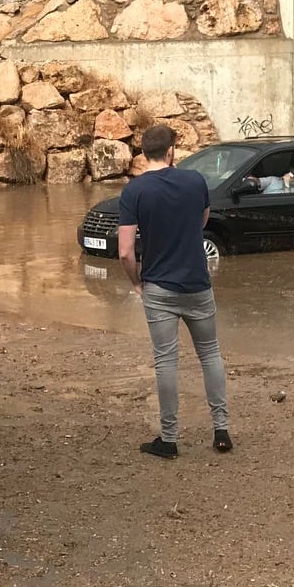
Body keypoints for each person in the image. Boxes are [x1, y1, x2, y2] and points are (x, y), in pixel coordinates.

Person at [118, 123, 232, 459]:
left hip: (158, 287)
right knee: (210, 354)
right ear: (171, 151)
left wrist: (137, 283)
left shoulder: (134, 192)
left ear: (143, 153)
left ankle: (168, 440)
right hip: (197, 284)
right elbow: (203, 219)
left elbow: (125, 251)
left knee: (166, 362)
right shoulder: (195, 181)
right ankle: (221, 430)